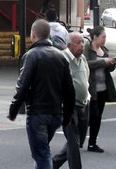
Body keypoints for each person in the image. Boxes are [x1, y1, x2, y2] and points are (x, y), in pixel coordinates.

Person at [8, 19, 75, 169]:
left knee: (42, 154)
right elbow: (69, 89)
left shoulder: (32, 55)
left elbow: (22, 85)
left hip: (37, 113)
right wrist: (68, 114)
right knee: (41, 152)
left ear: (33, 34)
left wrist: (14, 109)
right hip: (55, 114)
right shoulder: (61, 57)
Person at [52, 32, 90, 169]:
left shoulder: (83, 59)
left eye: (83, 42)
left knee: (76, 141)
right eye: (78, 42)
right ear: (69, 45)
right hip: (67, 107)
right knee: (73, 142)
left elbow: (85, 78)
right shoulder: (62, 60)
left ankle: (53, 164)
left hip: (83, 104)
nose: (82, 45)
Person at [83, 25, 116, 153]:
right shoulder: (87, 49)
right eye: (103, 37)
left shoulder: (104, 50)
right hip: (91, 90)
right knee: (93, 115)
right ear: (95, 37)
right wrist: (103, 62)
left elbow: (109, 69)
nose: (105, 39)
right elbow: (86, 64)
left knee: (98, 117)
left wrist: (111, 63)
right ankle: (78, 133)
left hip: (103, 89)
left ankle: (92, 143)